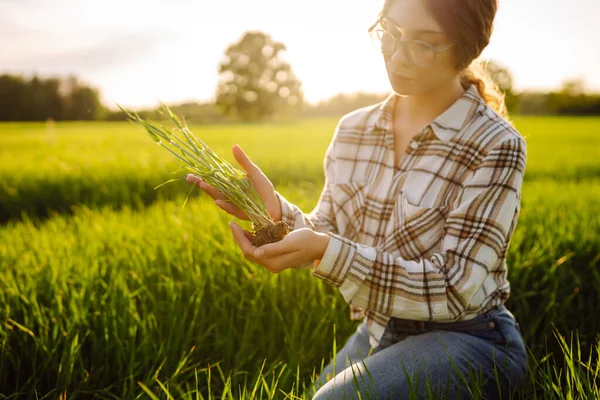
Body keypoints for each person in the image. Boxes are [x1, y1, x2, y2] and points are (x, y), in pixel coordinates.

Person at [186, 0, 528, 398]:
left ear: (465, 49)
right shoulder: (353, 130)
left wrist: (327, 250)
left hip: (472, 339)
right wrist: (272, 214)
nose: (397, 56)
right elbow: (328, 230)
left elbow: (454, 288)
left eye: (424, 43)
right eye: (391, 32)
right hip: (380, 328)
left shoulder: (496, 144)